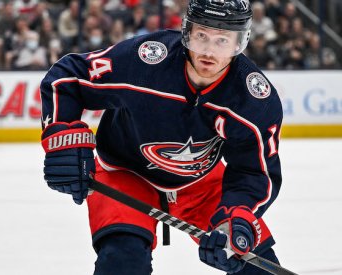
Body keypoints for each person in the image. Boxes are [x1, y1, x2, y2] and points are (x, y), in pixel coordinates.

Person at [39, 0, 283, 273]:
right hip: (124, 172)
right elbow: (69, 76)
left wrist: (234, 219)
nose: (209, 52)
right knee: (122, 262)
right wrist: (62, 139)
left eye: (223, 41)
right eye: (201, 35)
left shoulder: (254, 99)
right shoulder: (145, 60)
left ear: (241, 42)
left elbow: (254, 171)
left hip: (201, 182)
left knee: (256, 265)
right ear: (186, 31)